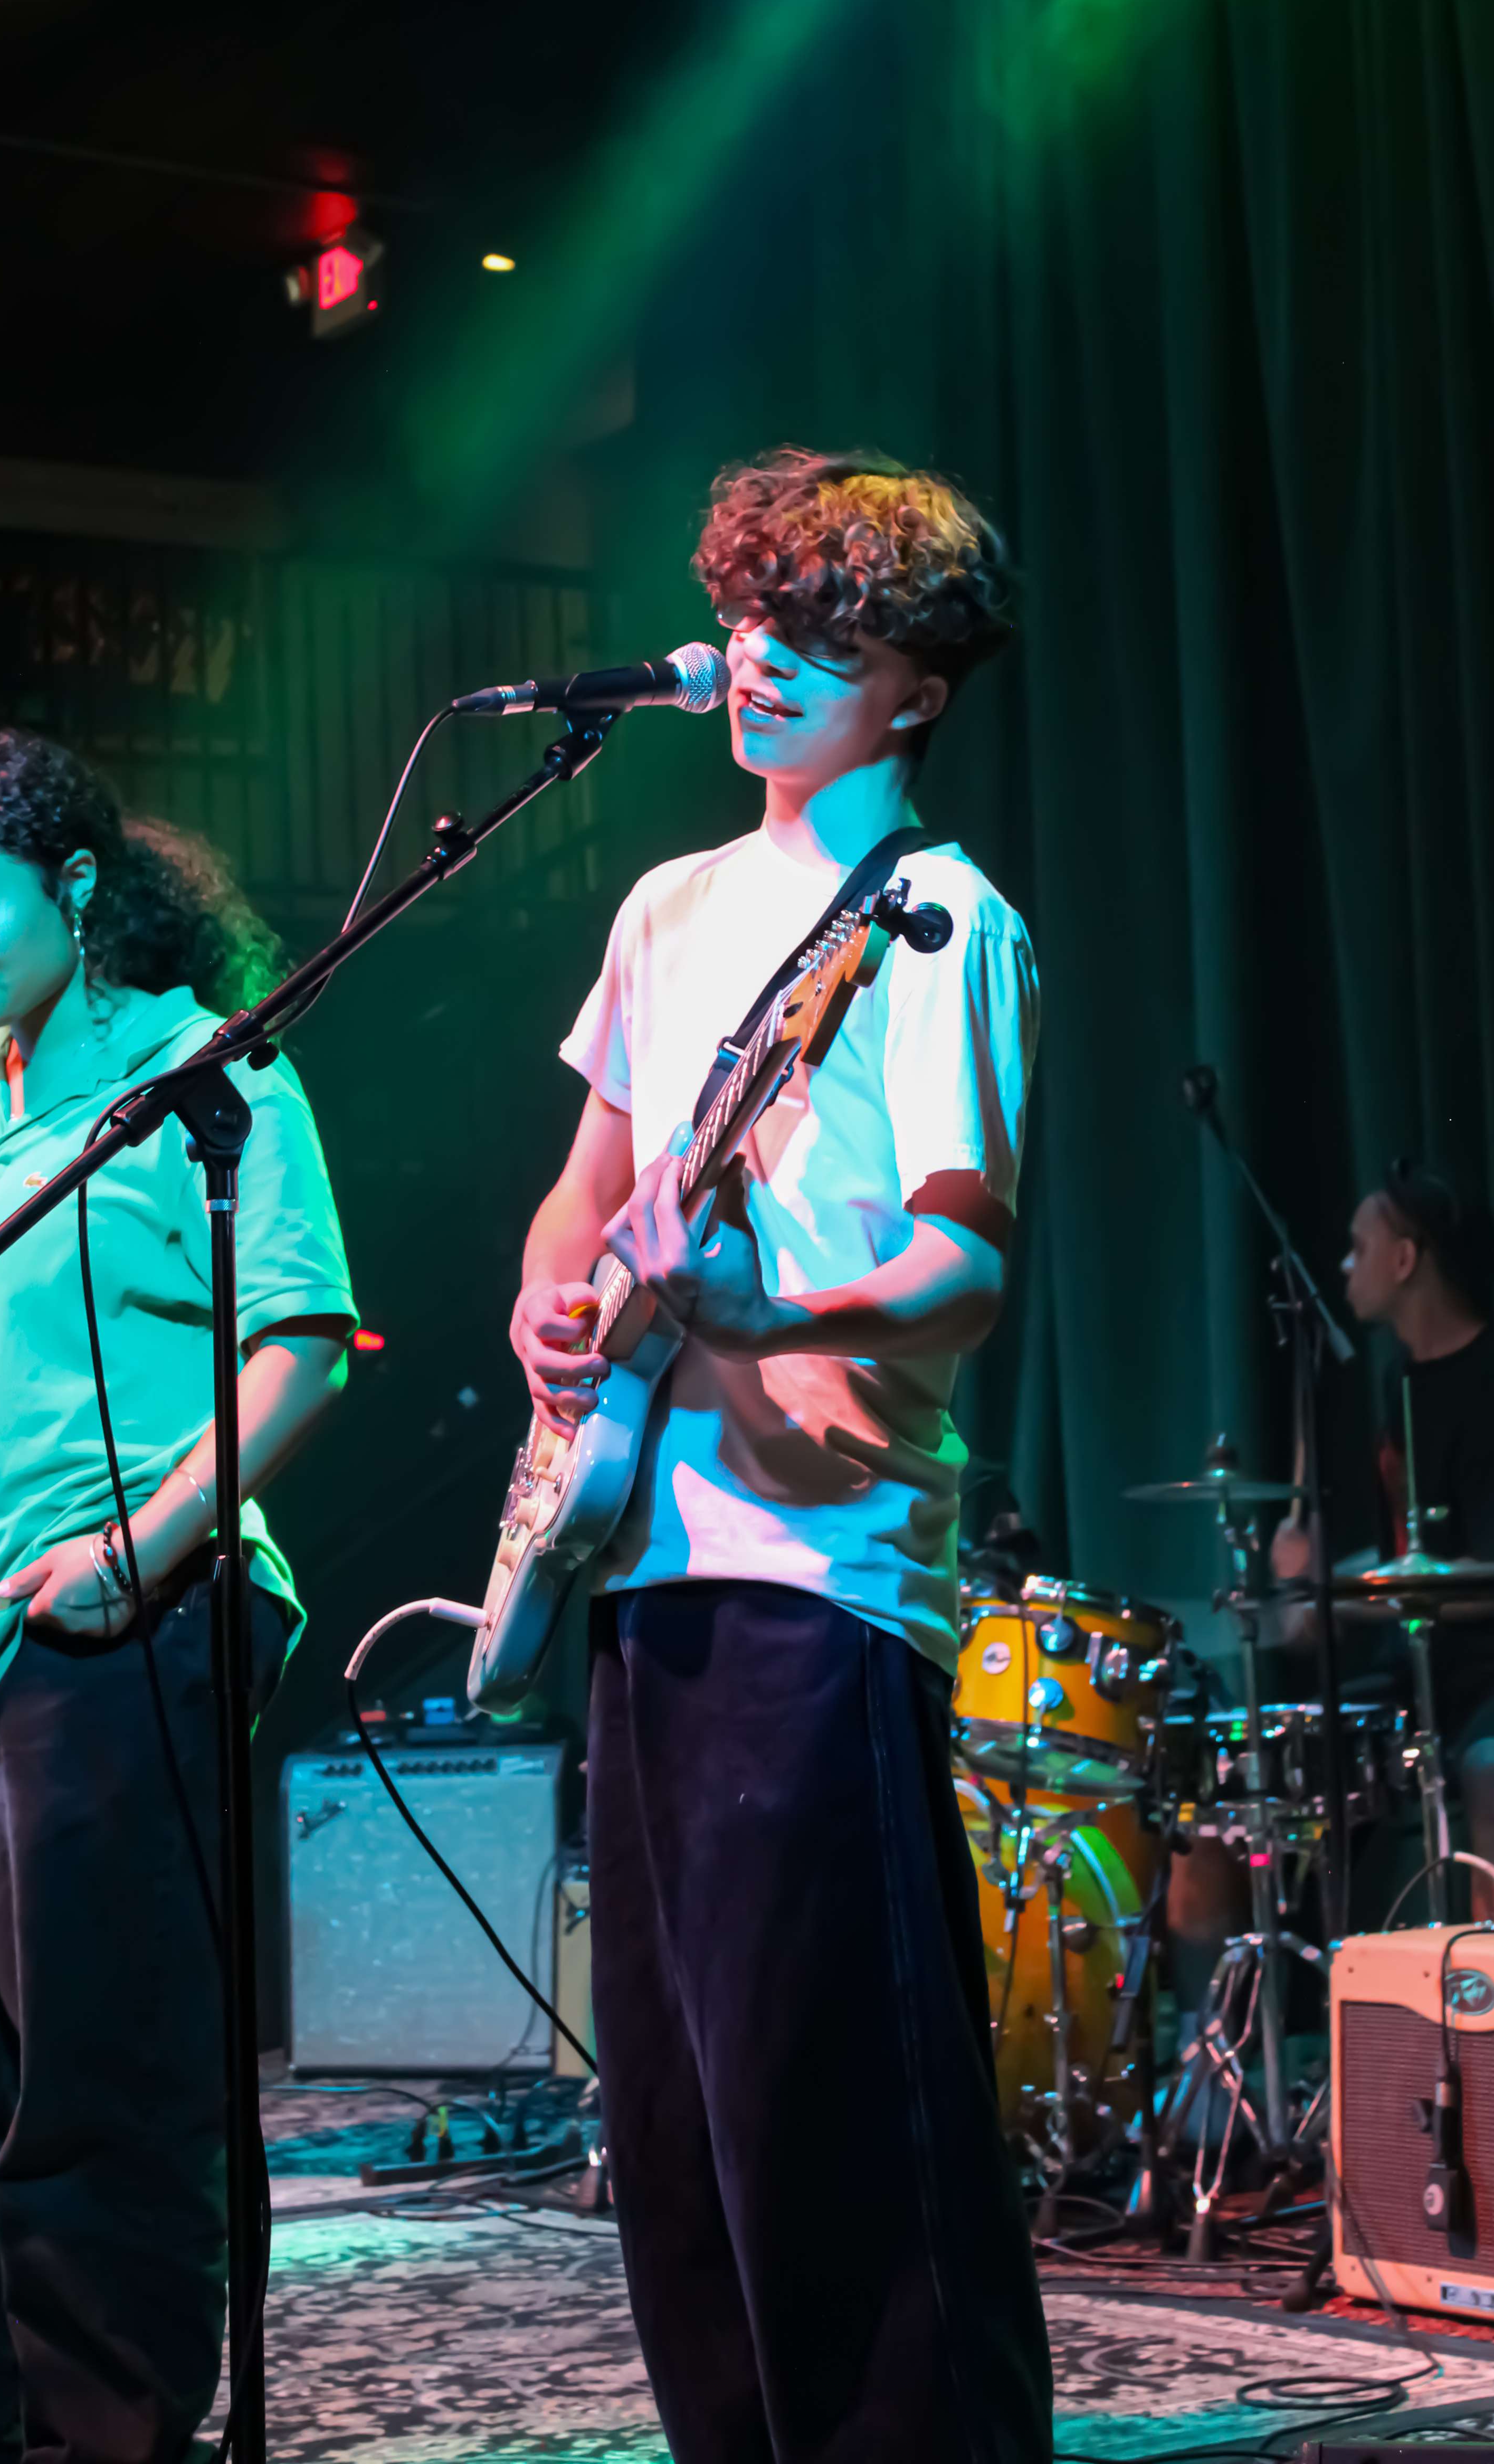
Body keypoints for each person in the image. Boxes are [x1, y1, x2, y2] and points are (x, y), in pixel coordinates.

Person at [507, 450, 1053, 2464]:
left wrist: (769, 1319)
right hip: (642, 1539)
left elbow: (958, 1257)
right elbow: (582, 1193)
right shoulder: (664, 906)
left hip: (820, 1559)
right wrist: (550, 1303)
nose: (753, 665)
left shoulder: (931, 916)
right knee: (673, 2112)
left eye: (816, 642)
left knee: (833, 2102)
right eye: (747, 622)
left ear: (913, 687)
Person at [0, 731, 356, 2464]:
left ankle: (105, 2439)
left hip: (114, 1617)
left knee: (97, 2096)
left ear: (78, 889)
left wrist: (151, 1549)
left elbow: (304, 1344)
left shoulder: (212, 1070)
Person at [1273, 1160, 1494, 1913]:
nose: (1343, 1266)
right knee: (1265, 1758)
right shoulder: (1397, 1386)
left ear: (1405, 1259)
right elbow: (1408, 1562)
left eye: (1358, 1249)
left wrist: (1338, 1594)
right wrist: (1313, 1585)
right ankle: (1244, 2014)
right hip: (1432, 1671)